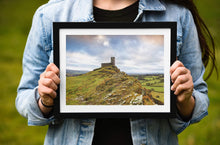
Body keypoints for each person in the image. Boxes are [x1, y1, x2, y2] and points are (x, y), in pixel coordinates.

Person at [16, 0, 217, 145]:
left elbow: (199, 99)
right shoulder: (50, 14)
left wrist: (184, 100)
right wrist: (45, 101)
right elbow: (24, 96)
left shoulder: (178, 14)